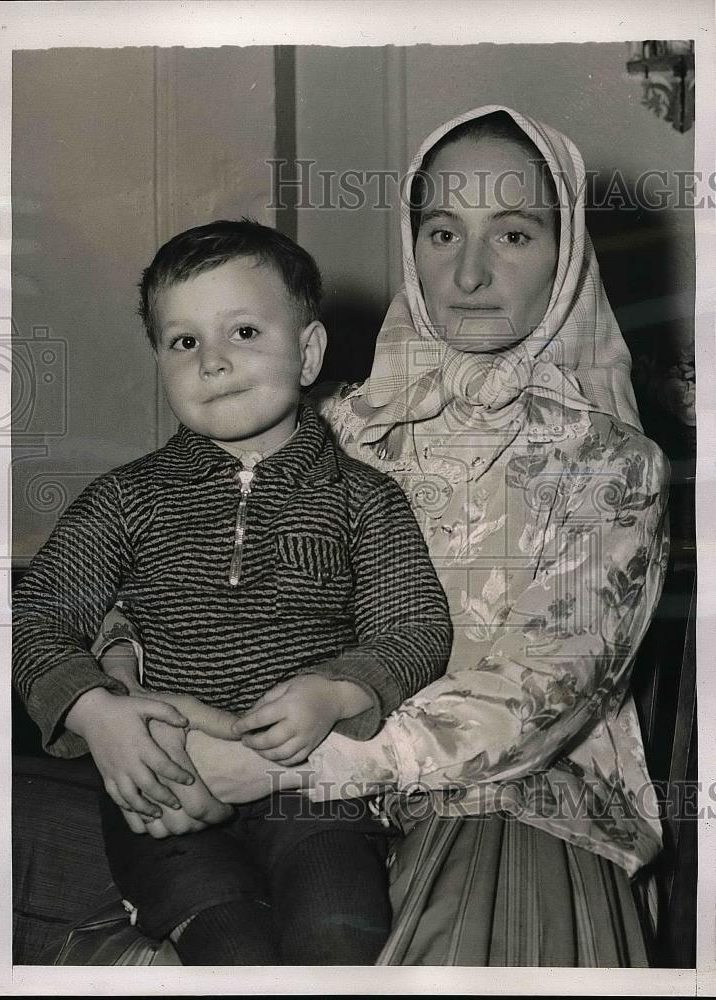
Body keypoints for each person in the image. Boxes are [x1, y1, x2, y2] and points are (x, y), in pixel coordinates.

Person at [110, 106, 670, 968]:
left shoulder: (611, 464)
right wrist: (125, 707)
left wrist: (293, 768)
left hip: (509, 797)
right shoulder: (324, 422)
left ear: (567, 257)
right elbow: (151, 560)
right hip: (274, 789)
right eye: (442, 231)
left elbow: (542, 690)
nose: (471, 272)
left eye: (514, 233)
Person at [11, 219, 454, 965]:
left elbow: (413, 627)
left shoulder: (363, 498)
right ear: (159, 359)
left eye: (243, 330)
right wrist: (97, 715)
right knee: (231, 949)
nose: (212, 361)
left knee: (336, 934)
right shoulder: (126, 498)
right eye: (183, 341)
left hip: (316, 797)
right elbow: (32, 615)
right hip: (166, 794)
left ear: (308, 351)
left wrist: (336, 694)